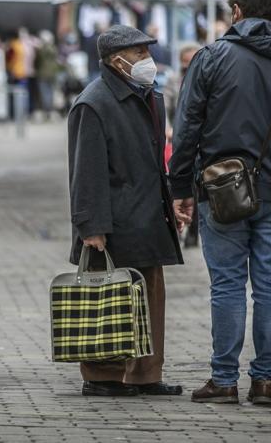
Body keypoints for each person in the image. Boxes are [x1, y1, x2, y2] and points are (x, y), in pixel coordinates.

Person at [169, 0, 271, 405]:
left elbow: (186, 130)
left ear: (236, 11)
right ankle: (266, 381)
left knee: (227, 284)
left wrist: (180, 186)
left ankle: (224, 380)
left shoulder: (210, 59)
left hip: (223, 192)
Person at [67, 25, 184, 398]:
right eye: (138, 54)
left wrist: (170, 205)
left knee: (148, 297)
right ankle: (103, 375)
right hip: (113, 220)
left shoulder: (151, 97)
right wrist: (90, 226)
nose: (147, 60)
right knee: (108, 300)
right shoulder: (93, 102)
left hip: (148, 215)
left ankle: (145, 375)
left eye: (147, 52)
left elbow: (155, 160)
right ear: (116, 61)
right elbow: (86, 171)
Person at [163, 43, 202, 247]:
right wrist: (169, 130)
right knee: (177, 187)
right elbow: (165, 106)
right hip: (179, 143)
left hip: (200, 145)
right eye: (185, 62)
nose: (189, 66)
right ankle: (176, 227)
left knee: (196, 191)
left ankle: (193, 233)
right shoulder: (173, 81)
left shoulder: (207, 78)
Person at [34, 30, 63, 120]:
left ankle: (47, 112)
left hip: (43, 74)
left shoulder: (41, 50)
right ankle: (51, 111)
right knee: (51, 93)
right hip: (53, 74)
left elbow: (36, 62)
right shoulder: (54, 49)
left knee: (44, 93)